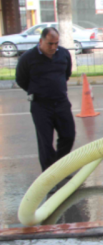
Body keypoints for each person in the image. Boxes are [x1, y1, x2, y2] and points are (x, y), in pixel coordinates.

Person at [15, 27, 76, 174]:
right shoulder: (28, 58)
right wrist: (37, 90)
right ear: (41, 41)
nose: (54, 47)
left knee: (68, 135)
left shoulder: (63, 54)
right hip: (41, 105)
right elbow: (21, 79)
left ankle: (60, 168)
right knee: (45, 143)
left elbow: (66, 73)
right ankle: (49, 177)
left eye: (56, 43)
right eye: (50, 44)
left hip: (61, 102)